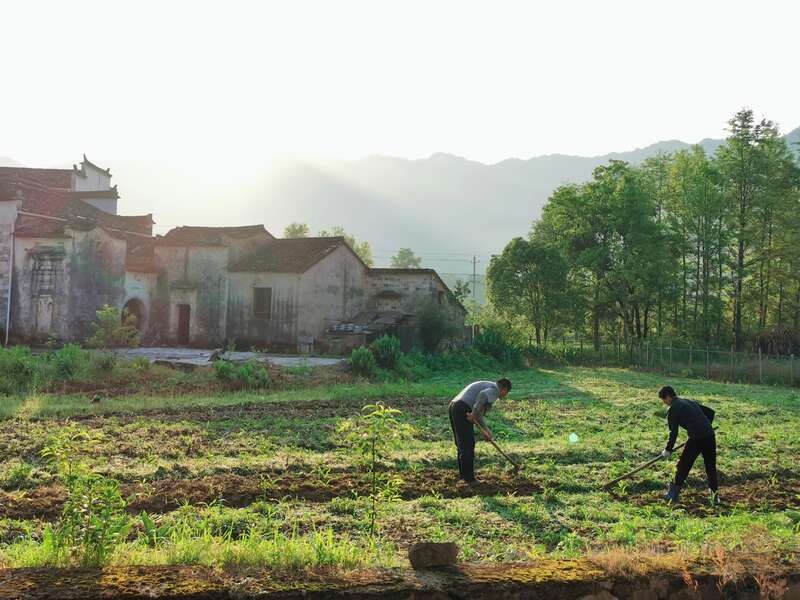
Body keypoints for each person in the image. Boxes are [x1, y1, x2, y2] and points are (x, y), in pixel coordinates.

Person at [658, 385, 719, 504]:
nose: (665, 403)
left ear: (668, 396)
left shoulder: (673, 408)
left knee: (683, 465)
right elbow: (710, 412)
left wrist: (668, 449)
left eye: (664, 399)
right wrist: (704, 427)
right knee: (710, 466)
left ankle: (673, 494)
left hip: (696, 438)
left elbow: (673, 432)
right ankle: (715, 497)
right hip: (709, 436)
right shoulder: (687, 401)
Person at [448, 378, 512, 483]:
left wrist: (486, 430)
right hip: (462, 408)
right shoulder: (494, 390)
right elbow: (482, 396)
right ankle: (469, 479)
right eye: (507, 393)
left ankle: (464, 476)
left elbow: (479, 414)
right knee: (468, 445)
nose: (505, 395)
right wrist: (473, 413)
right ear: (504, 389)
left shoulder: (488, 386)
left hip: (454, 406)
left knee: (462, 445)